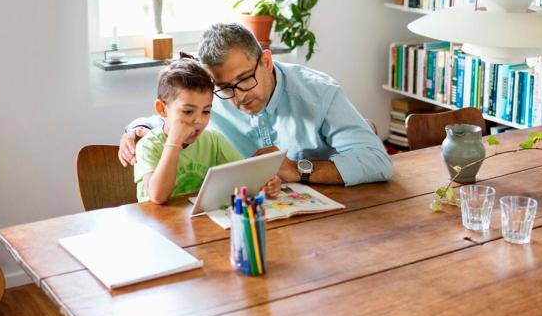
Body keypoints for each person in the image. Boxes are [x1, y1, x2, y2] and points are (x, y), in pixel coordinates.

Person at [121, 23, 393, 186]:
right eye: (225, 87)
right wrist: (137, 127)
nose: (238, 96)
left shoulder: (319, 93)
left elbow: (378, 162)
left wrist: (298, 170)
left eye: (245, 79)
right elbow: (176, 115)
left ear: (266, 61)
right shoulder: (215, 94)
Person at [135, 52, 280, 204]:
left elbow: (245, 177)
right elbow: (158, 197)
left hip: (197, 223)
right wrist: (173, 143)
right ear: (162, 109)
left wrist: (266, 184)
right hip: (155, 224)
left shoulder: (213, 141)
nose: (199, 120)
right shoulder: (148, 146)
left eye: (206, 111)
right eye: (188, 111)